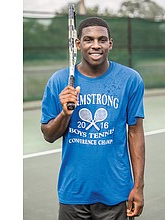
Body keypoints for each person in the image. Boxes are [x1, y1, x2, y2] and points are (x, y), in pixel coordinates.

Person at [41, 17, 145, 220]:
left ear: (110, 43)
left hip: (116, 192)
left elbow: (135, 131)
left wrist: (138, 186)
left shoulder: (130, 80)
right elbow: (48, 135)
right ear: (78, 44)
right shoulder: (58, 81)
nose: (96, 45)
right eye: (88, 39)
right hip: (74, 191)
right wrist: (65, 114)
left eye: (102, 40)